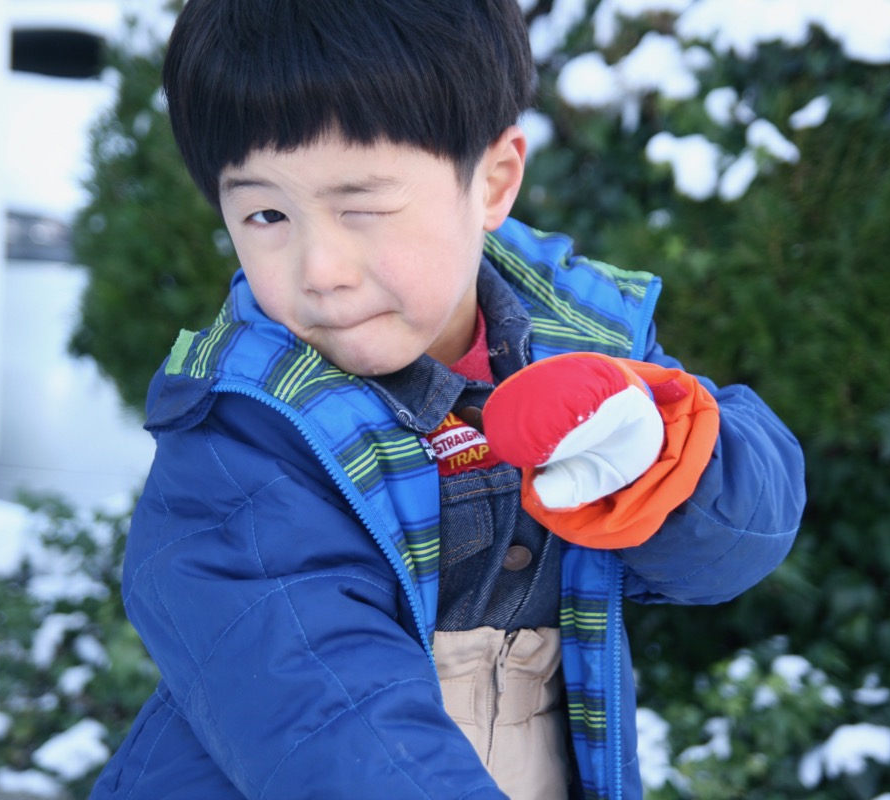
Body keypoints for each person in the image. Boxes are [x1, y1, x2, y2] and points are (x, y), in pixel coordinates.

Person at [90, 0, 805, 797]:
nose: (320, 269)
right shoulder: (241, 441)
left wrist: (659, 453)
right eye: (266, 214)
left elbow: (737, 544)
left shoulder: (583, 339)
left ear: (493, 182)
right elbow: (334, 724)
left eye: (362, 206)